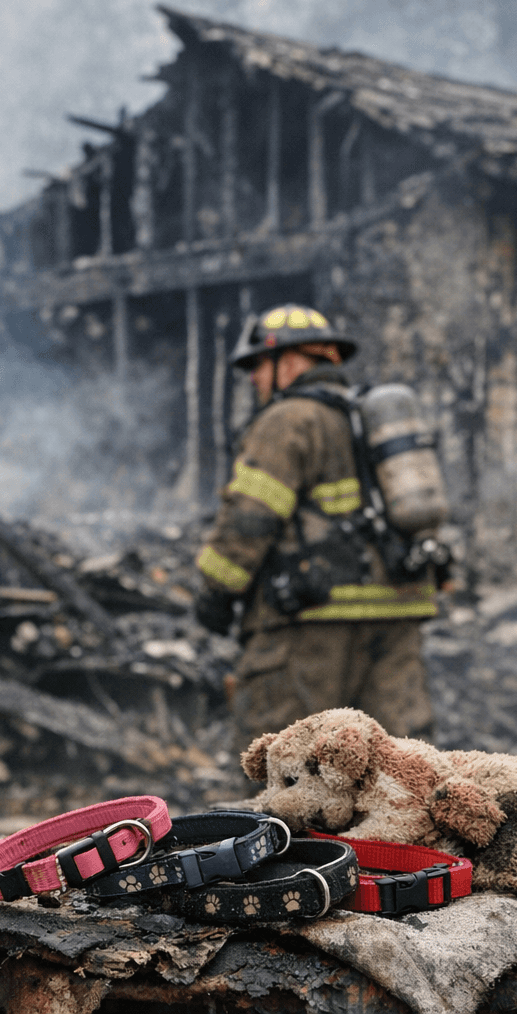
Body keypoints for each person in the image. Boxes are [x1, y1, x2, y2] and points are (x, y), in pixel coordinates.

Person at [192, 303, 437, 743]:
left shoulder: (288, 419)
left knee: (289, 766)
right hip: (396, 618)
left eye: (258, 368)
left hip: (311, 624)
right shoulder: (370, 418)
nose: (254, 380)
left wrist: (216, 591)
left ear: (287, 361)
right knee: (397, 771)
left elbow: (250, 516)